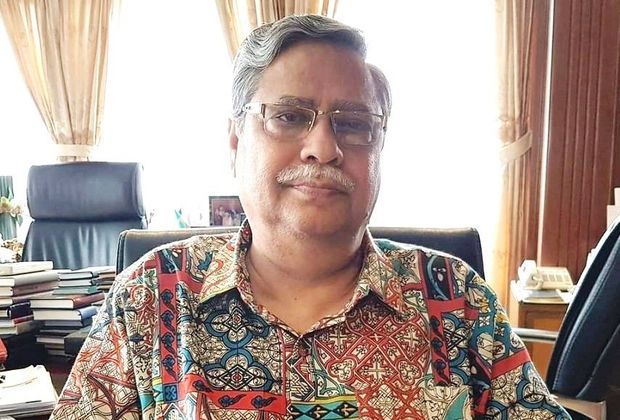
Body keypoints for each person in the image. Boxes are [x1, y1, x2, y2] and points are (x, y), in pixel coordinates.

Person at [51, 15, 570, 419]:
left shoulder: (456, 298)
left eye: (355, 124)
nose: (323, 147)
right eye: (289, 116)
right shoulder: (150, 295)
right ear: (235, 143)